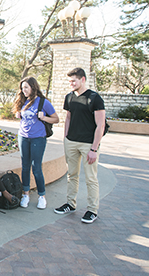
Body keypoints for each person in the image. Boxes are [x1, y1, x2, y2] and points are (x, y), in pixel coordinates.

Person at [54, 67, 105, 224]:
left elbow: (100, 125)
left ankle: (92, 210)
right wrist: (66, 138)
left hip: (88, 144)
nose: (71, 84)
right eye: (69, 81)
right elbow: (68, 118)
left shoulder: (94, 98)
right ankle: (70, 204)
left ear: (83, 79)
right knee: (72, 175)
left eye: (73, 81)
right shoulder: (69, 97)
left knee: (90, 178)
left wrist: (94, 149)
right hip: (71, 142)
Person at [13, 77, 59, 210]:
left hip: (38, 138)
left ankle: (42, 196)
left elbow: (56, 119)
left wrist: (44, 117)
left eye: (26, 87)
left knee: (36, 167)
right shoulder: (22, 101)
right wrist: (19, 115)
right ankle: (25, 194)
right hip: (23, 137)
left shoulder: (43, 102)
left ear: (33, 87)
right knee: (25, 166)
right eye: (22, 88)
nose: (24, 90)